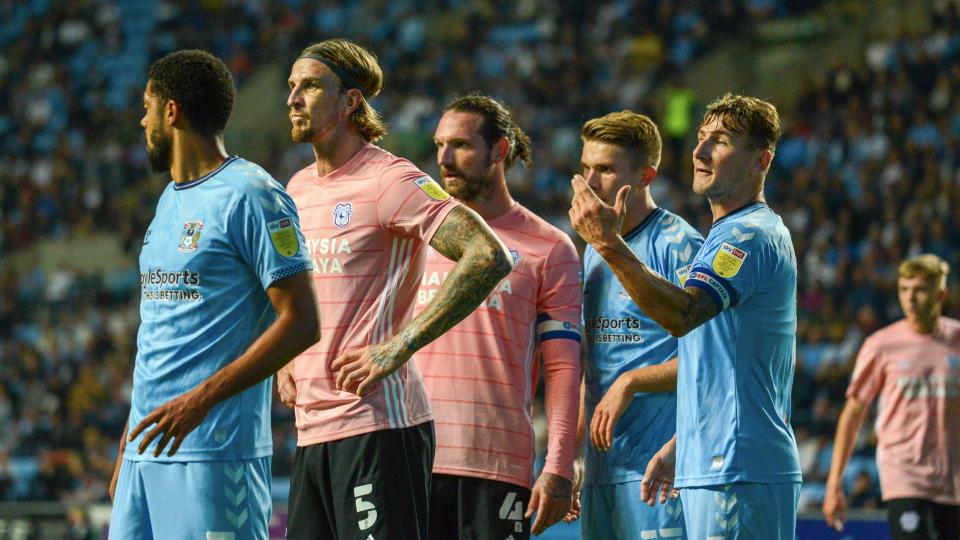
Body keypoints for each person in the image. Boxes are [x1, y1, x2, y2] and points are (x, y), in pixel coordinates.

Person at [278, 40, 513, 539]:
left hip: (376, 428)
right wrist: (286, 360)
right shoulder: (295, 188)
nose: (293, 98)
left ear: (351, 102)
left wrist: (398, 346)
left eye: (311, 85)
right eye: (291, 86)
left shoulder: (389, 179)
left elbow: (488, 254)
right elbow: (304, 290)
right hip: (311, 431)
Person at [109, 50, 319, 539]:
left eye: (147, 106)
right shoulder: (168, 201)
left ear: (172, 111)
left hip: (215, 453)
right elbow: (160, 333)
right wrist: (128, 445)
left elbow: (303, 321)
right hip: (147, 453)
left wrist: (200, 401)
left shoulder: (253, 194)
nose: (142, 120)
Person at [570, 93, 801, 539]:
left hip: (737, 465)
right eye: (700, 138)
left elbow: (684, 316)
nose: (699, 151)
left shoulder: (747, 235)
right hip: (710, 460)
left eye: (722, 141)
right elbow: (712, 355)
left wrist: (609, 244)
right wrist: (683, 445)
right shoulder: (726, 235)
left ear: (760, 161)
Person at [414, 93, 581, 539]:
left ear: (500, 150)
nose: (444, 159)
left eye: (461, 146)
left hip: (496, 466)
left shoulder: (549, 248)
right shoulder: (414, 239)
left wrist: (559, 463)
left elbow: (563, 367)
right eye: (439, 145)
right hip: (410, 460)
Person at [575, 111, 702, 539]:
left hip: (657, 471)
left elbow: (711, 361)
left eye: (606, 170)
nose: (591, 183)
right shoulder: (592, 251)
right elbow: (591, 365)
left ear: (646, 175)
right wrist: (574, 456)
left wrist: (632, 380)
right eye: (586, 169)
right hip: (601, 469)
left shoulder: (678, 245)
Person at [824, 254, 960, 540]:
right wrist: (834, 483)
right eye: (904, 289)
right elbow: (853, 413)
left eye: (920, 290)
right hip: (904, 475)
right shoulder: (881, 345)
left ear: (941, 294)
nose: (910, 298)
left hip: (954, 480)